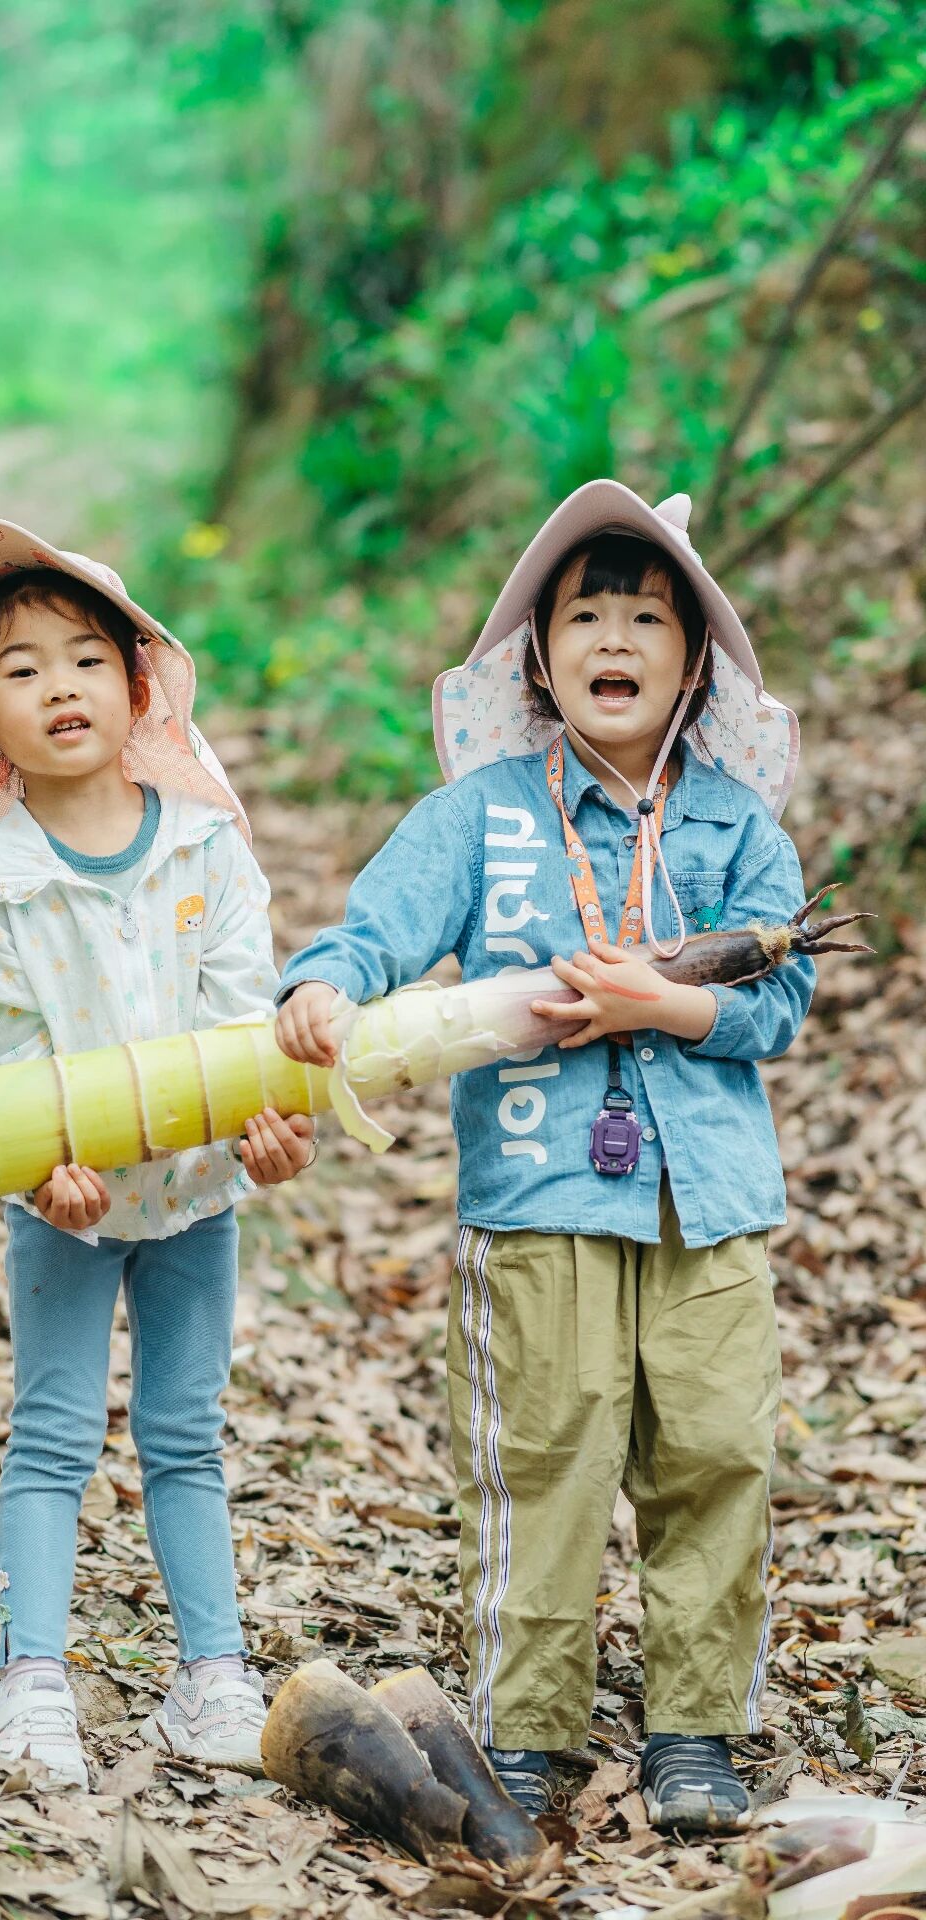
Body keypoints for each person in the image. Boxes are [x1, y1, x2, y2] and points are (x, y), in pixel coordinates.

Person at [275, 484, 814, 1832]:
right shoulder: (483, 816)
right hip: (541, 1195)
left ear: (693, 668)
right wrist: (325, 983)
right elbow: (378, 927)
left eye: (648, 619)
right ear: (537, 661)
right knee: (546, 1459)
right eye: (585, 616)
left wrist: (664, 1006)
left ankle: (695, 1730)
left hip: (709, 1204)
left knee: (715, 1456)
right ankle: (527, 1730)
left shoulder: (736, 827)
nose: (614, 637)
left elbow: (779, 1002)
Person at [0, 518, 313, 1789]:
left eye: (86, 658)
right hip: (67, 1204)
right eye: (21, 668)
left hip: (195, 1198)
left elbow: (243, 1021)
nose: (60, 686)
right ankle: (31, 1681)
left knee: (185, 1433)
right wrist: (42, 1171)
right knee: (51, 1433)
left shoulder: (204, 844)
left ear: (137, 688)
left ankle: (213, 1675)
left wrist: (267, 1131)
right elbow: (9, 1054)